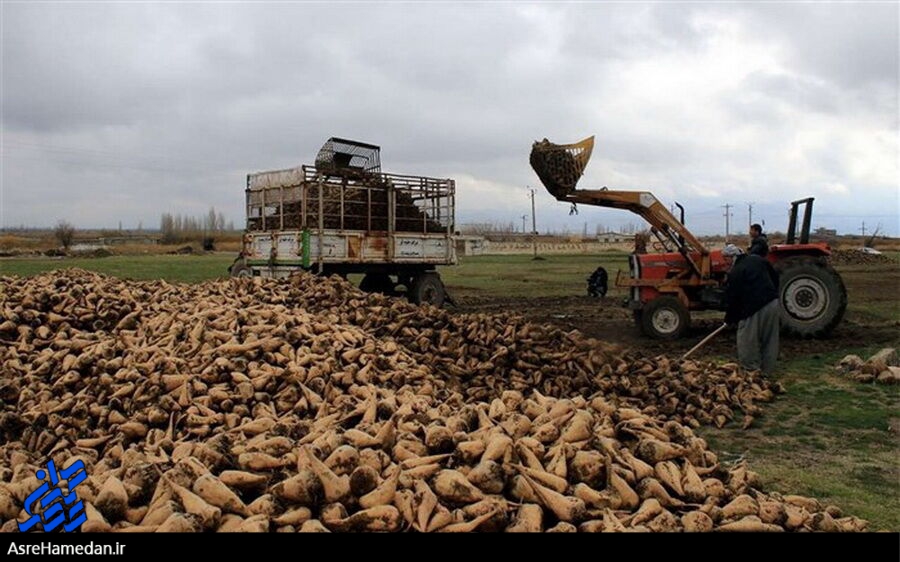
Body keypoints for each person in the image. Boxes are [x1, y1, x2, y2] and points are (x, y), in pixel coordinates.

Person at [722, 244, 780, 374]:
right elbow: (775, 277)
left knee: (747, 340)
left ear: (732, 257)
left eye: (725, 259)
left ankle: (751, 371)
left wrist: (730, 318)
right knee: (770, 339)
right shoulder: (757, 259)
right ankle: (767, 371)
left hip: (753, 309)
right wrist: (773, 294)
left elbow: (733, 299)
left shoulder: (736, 272)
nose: (724, 262)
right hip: (772, 303)